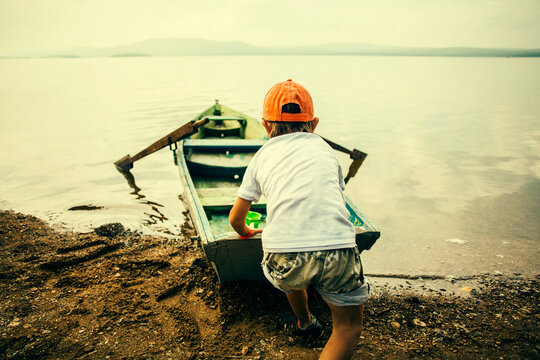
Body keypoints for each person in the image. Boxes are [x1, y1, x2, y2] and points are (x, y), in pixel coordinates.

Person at [229, 79, 370, 360]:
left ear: (266, 126)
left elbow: (236, 219)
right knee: (348, 328)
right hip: (337, 250)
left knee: (292, 276)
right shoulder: (326, 152)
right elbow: (333, 201)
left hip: (283, 257)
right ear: (314, 124)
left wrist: (245, 232)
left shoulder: (260, 156)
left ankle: (305, 322)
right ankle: (319, 319)